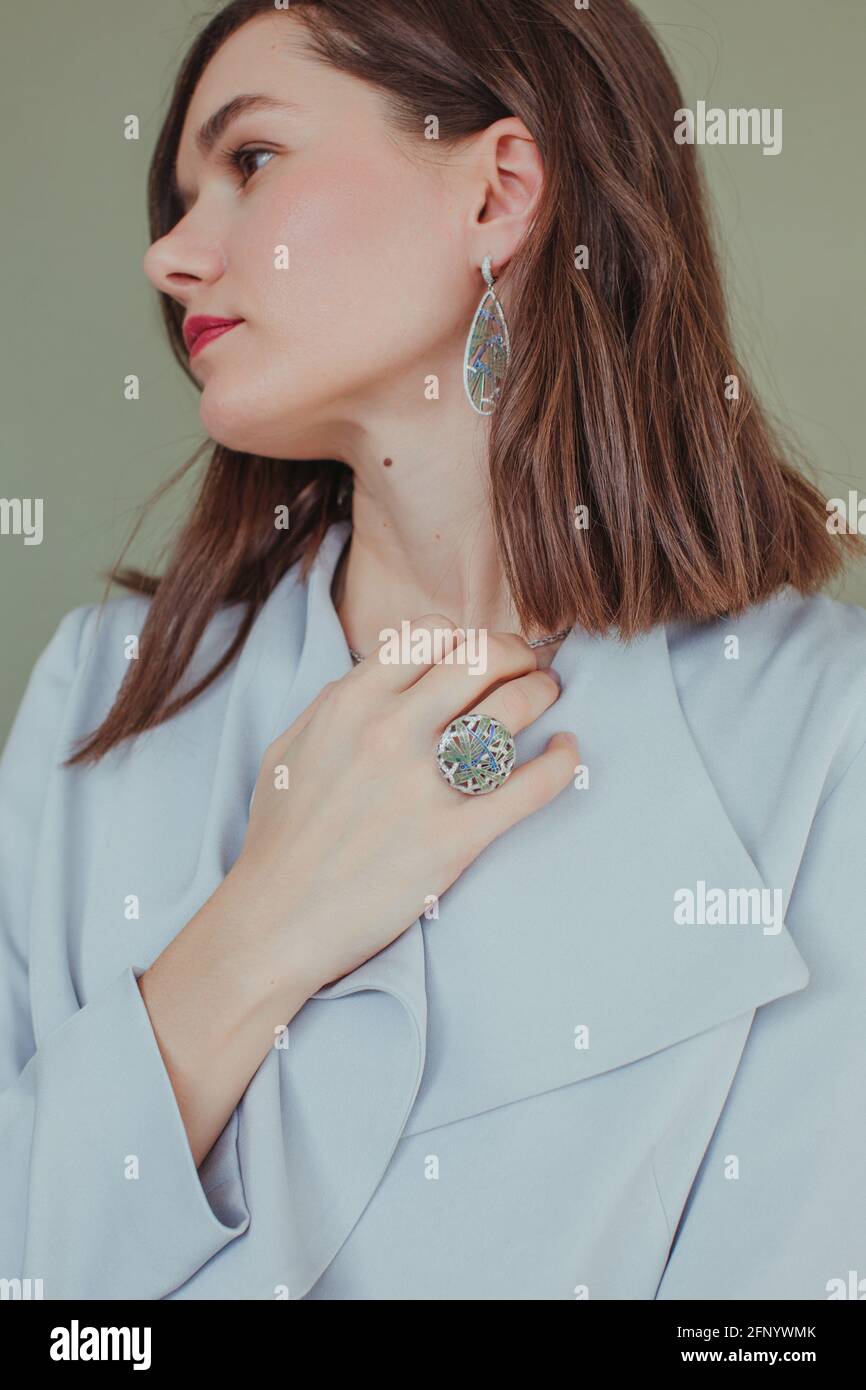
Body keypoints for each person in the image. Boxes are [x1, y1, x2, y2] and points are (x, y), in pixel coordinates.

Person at [1, 0, 864, 1301]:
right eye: (178, 196)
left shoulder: (824, 733)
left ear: (498, 190)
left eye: (248, 161)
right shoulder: (101, 693)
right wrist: (256, 928)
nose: (171, 255)